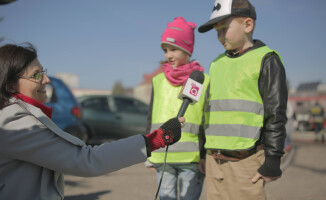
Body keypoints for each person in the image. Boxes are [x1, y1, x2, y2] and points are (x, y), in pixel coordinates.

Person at [0, 43, 185, 200]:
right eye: (36, 75)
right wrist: (154, 140)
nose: (46, 79)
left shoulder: (20, 115)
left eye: (43, 72)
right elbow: (86, 160)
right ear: (10, 85)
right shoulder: (13, 122)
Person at [198, 0, 288, 199]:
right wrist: (202, 151)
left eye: (224, 29)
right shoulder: (215, 64)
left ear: (248, 25)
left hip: (245, 163)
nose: (220, 36)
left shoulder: (266, 59)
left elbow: (276, 114)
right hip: (214, 162)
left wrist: (273, 160)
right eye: (216, 31)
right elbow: (207, 113)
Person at [146, 17, 209, 200]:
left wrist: (204, 155)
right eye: (165, 50)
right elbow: (150, 118)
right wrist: (148, 151)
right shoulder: (158, 81)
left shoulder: (201, 80)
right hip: (162, 156)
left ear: (187, 49)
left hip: (191, 159)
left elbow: (206, 121)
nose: (168, 55)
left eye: (173, 49)